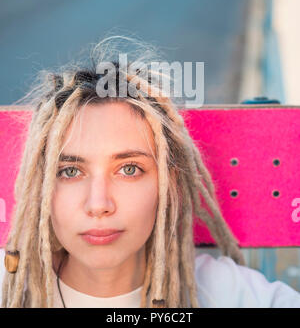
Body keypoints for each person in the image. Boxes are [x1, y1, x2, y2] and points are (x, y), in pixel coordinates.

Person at [1, 36, 300, 308]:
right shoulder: (8, 287)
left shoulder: (225, 292)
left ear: (168, 184)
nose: (98, 205)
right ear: (38, 186)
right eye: (69, 171)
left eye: (129, 169)